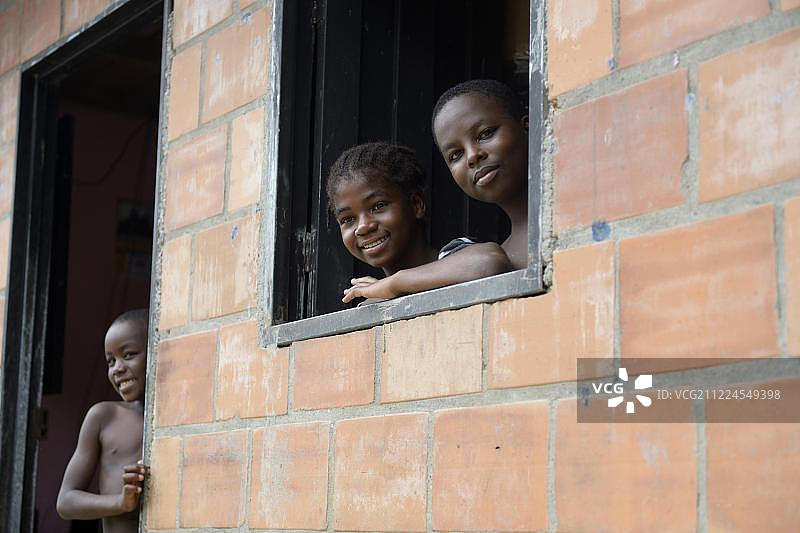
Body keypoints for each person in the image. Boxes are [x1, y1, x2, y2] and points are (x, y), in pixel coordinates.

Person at [327, 142, 512, 303]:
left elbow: (489, 262)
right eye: (348, 219)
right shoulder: (378, 296)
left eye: (378, 206)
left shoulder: (452, 256)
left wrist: (394, 283)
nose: (363, 227)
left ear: (416, 205)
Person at [57, 309, 150, 533]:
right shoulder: (104, 417)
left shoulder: (183, 423)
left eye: (128, 355)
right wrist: (120, 502)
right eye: (111, 361)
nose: (117, 369)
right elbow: (65, 502)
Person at [432, 79, 529, 270]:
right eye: (455, 155)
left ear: (527, 127)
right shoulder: (486, 262)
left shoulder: (577, 218)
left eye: (485, 134)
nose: (472, 156)